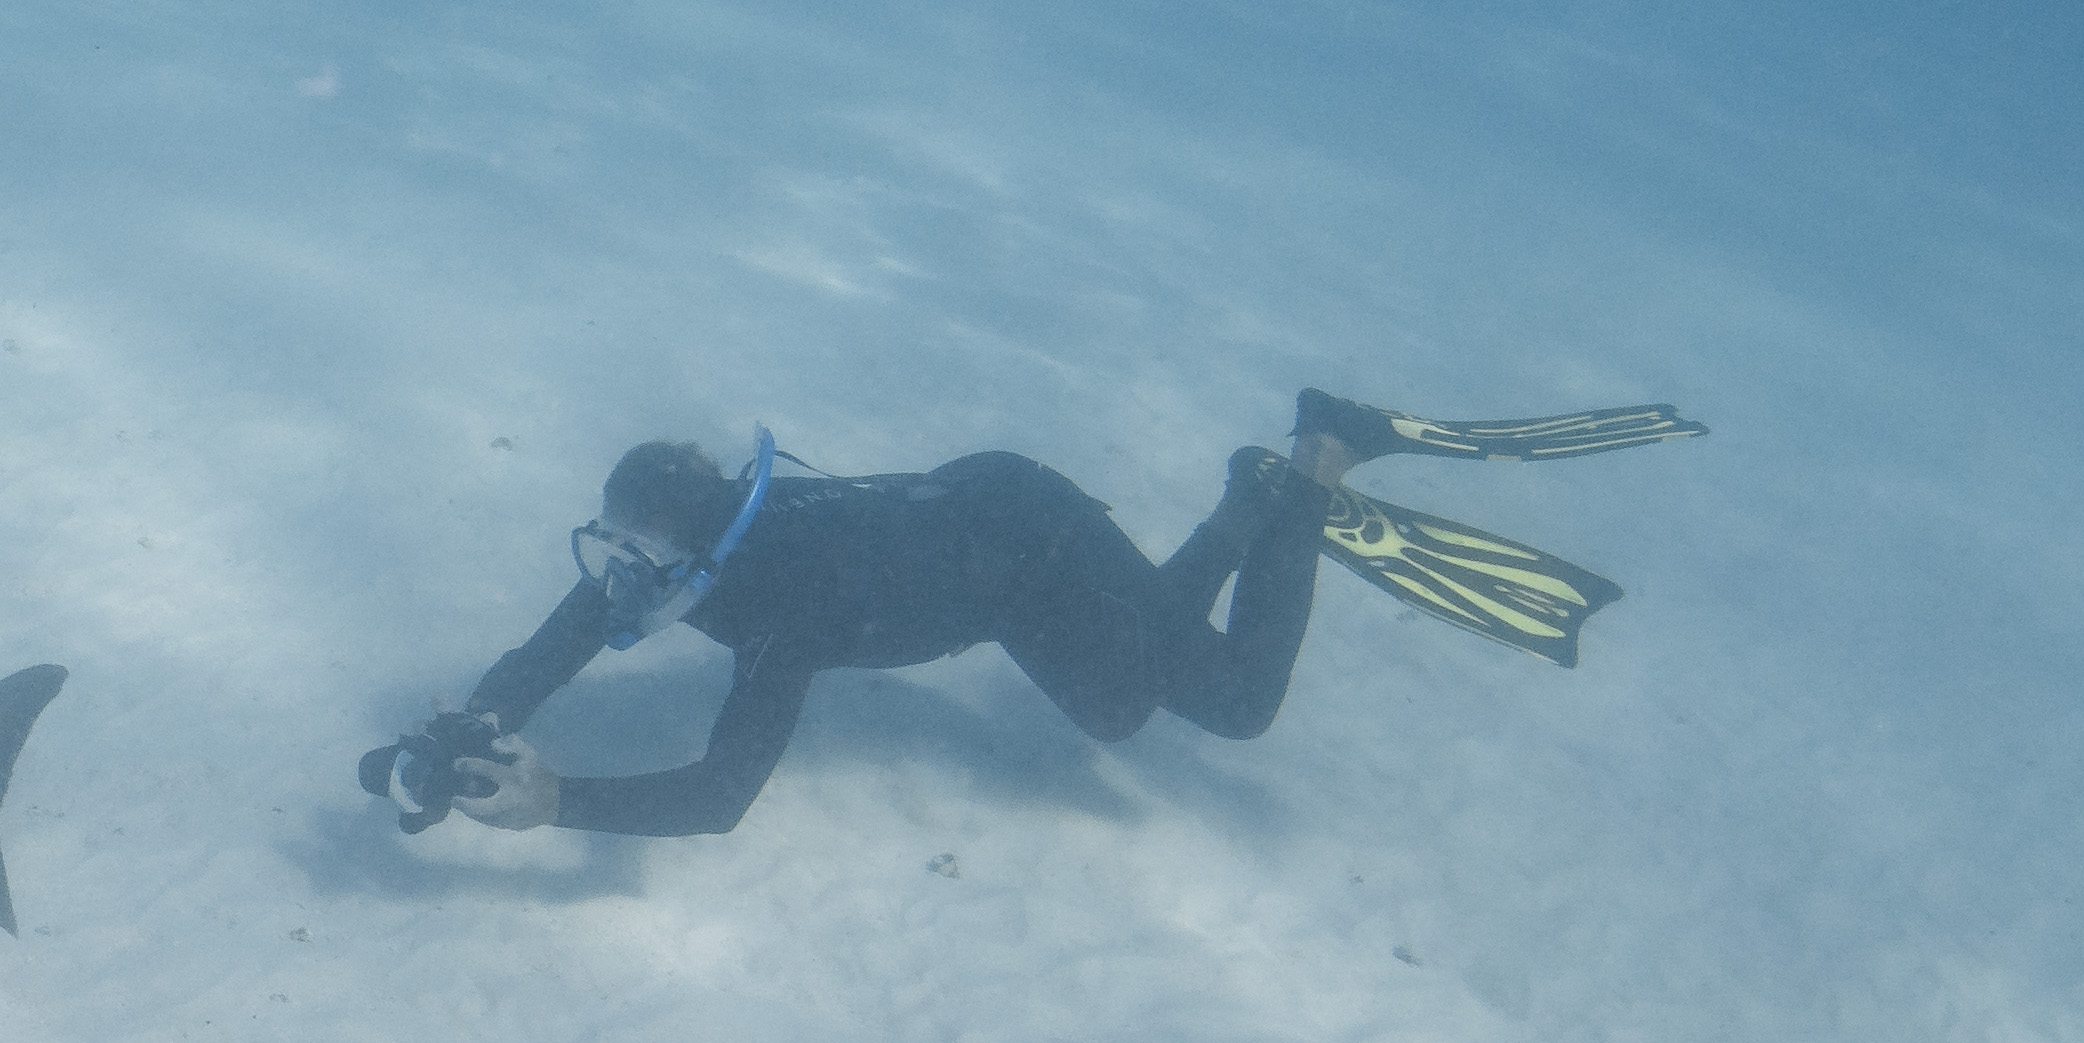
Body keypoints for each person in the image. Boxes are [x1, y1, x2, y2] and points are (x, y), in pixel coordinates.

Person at [363, 390, 1703, 839]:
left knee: (1213, 702)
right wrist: (485, 716)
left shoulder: (785, 606)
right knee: (1126, 688)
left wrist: (560, 804)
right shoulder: (676, 554)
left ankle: (1308, 470)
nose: (616, 586)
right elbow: (552, 644)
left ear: (696, 553)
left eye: (635, 564)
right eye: (613, 558)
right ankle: (1256, 497)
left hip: (1026, 544)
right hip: (987, 530)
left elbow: (719, 796)